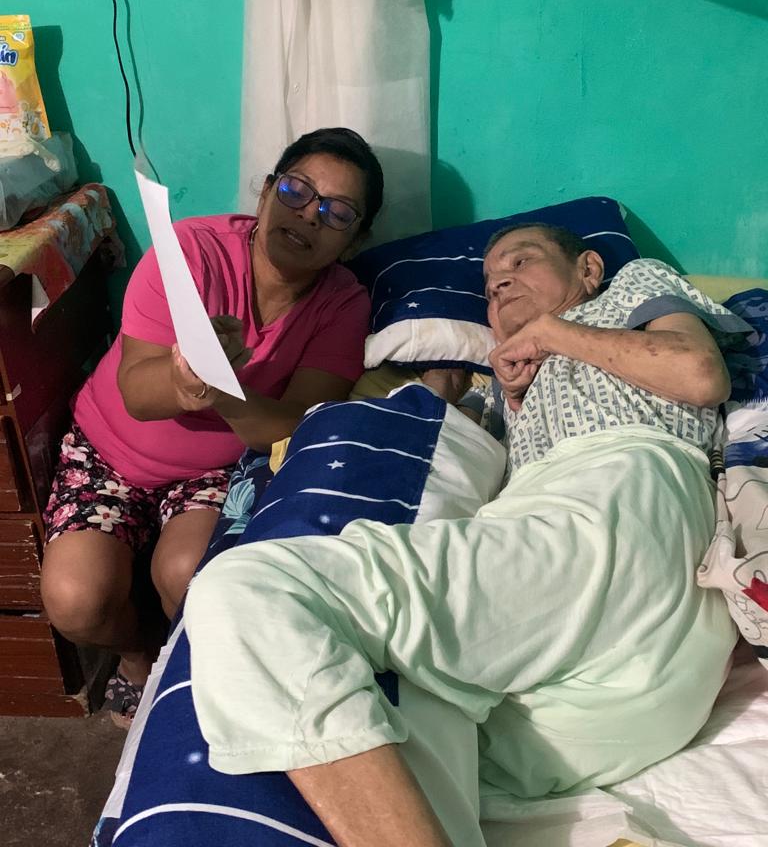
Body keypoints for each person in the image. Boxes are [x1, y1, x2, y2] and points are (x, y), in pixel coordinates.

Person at [184, 223, 750, 847]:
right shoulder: (506, 386)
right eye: (489, 283)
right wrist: (473, 394)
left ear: (588, 269)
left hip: (620, 505)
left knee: (255, 589)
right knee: (397, 739)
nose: (499, 283)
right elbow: (436, 457)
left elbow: (700, 374)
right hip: (636, 689)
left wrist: (552, 333)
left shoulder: (629, 289)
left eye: (521, 262)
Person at [40, 127, 384, 727]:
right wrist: (185, 381)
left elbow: (296, 424)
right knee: (74, 601)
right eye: (297, 190)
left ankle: (183, 677)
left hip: (213, 472)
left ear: (355, 240)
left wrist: (222, 390)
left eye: (337, 212)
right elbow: (137, 394)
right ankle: (138, 655)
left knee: (191, 578)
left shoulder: (342, 304)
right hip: (107, 451)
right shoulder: (191, 253)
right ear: (265, 191)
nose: (309, 215)